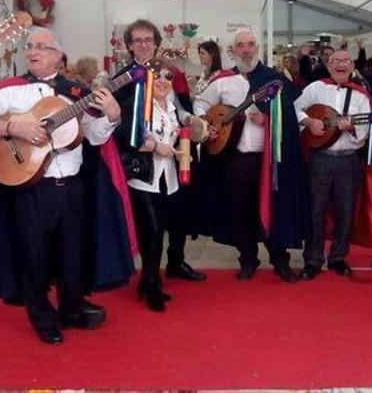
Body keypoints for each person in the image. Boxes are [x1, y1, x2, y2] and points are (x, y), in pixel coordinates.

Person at [0, 27, 122, 345]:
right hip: (31, 186)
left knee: (72, 252)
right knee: (35, 254)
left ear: (59, 54)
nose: (33, 51)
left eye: (42, 47)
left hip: (71, 186)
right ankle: (41, 317)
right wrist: (14, 126)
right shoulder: (10, 91)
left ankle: (71, 308)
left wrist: (111, 117)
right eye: (29, 46)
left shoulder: (75, 92)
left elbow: (94, 136)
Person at [194, 29, 309, 282]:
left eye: (250, 45)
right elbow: (200, 103)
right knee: (239, 210)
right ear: (232, 50)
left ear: (257, 48)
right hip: (236, 159)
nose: (245, 49)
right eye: (240, 45)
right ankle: (248, 258)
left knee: (274, 210)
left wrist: (269, 119)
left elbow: (295, 113)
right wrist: (206, 122)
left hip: (270, 160)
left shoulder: (274, 79)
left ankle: (280, 260)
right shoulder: (222, 81)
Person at [113, 19, 206, 282]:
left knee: (179, 214)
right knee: (151, 224)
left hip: (177, 152)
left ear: (156, 43)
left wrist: (190, 120)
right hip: (142, 161)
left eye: (148, 40)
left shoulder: (170, 72)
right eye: (137, 40)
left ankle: (177, 261)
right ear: (130, 46)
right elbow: (115, 122)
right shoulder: (122, 79)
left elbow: (181, 107)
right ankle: (150, 276)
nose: (143, 45)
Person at [295, 50, 372, 279]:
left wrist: (353, 129)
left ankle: (338, 257)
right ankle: (312, 259)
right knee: (316, 210)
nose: (341, 65)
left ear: (352, 67)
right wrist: (308, 121)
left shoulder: (361, 95)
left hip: (348, 160)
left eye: (346, 61)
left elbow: (368, 128)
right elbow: (293, 108)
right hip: (319, 159)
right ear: (328, 66)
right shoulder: (315, 88)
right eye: (336, 61)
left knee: (345, 211)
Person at [115, 60, 187, 311]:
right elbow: (126, 138)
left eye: (168, 77)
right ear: (146, 80)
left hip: (168, 179)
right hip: (144, 179)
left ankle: (147, 281)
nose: (163, 81)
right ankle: (152, 284)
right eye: (157, 77)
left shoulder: (170, 107)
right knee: (152, 236)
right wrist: (157, 146)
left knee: (160, 233)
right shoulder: (136, 106)